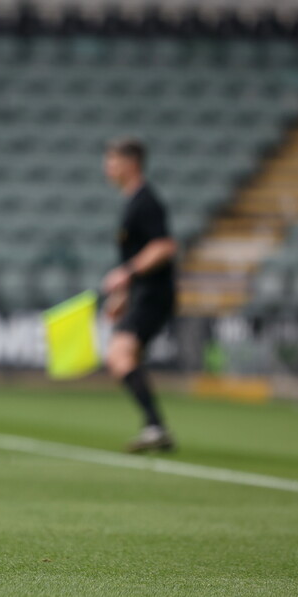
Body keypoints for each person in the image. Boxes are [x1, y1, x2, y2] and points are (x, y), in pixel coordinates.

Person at [101, 138, 178, 453]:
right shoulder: (133, 201)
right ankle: (154, 427)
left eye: (112, 160)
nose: (107, 167)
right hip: (144, 294)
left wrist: (127, 274)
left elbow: (165, 246)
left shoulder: (146, 202)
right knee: (126, 357)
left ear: (131, 163)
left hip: (155, 294)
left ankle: (155, 426)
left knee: (119, 355)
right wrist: (124, 296)